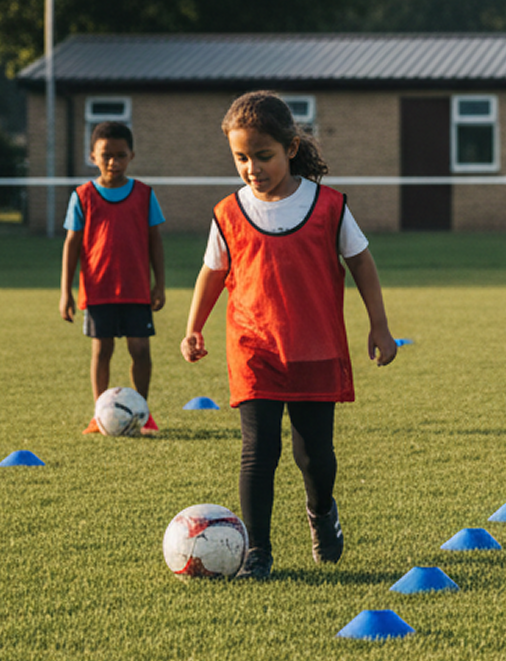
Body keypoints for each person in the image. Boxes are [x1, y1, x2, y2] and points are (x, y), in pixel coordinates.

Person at [180, 91, 396, 580]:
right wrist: (193, 327)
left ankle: (321, 512)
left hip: (315, 350)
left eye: (263, 155)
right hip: (253, 350)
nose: (252, 167)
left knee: (314, 457)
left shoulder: (329, 207)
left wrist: (379, 325)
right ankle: (257, 551)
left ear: (291, 148)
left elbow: (361, 261)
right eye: (241, 157)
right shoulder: (227, 213)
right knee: (259, 453)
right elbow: (212, 273)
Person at [59, 121, 166, 436]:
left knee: (140, 351)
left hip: (135, 290)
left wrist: (160, 283)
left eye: (120, 155)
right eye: (106, 155)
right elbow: (71, 245)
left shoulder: (145, 194)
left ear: (131, 155)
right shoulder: (83, 196)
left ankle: (142, 414)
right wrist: (65, 292)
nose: (113, 163)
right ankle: (99, 414)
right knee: (101, 351)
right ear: (93, 155)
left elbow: (155, 241)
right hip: (98, 291)